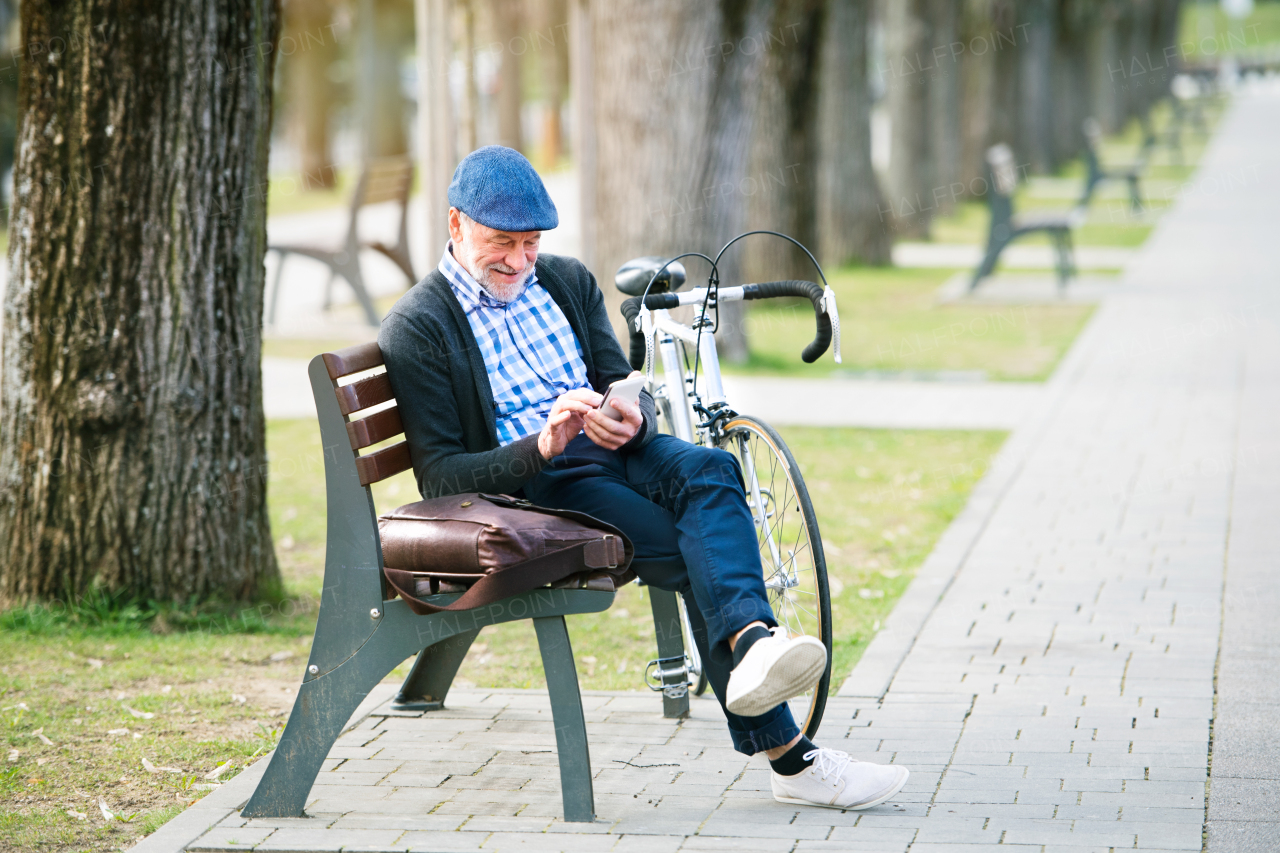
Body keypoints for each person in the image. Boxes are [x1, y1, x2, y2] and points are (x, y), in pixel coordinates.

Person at [379, 145, 910, 810]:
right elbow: (441, 477)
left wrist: (630, 407)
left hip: (618, 450)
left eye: (531, 243)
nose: (518, 260)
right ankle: (792, 757)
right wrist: (541, 444)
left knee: (713, 467)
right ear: (455, 225)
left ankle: (750, 645)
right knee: (697, 546)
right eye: (501, 243)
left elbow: (618, 378)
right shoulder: (419, 326)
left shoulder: (565, 281)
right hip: (545, 483)